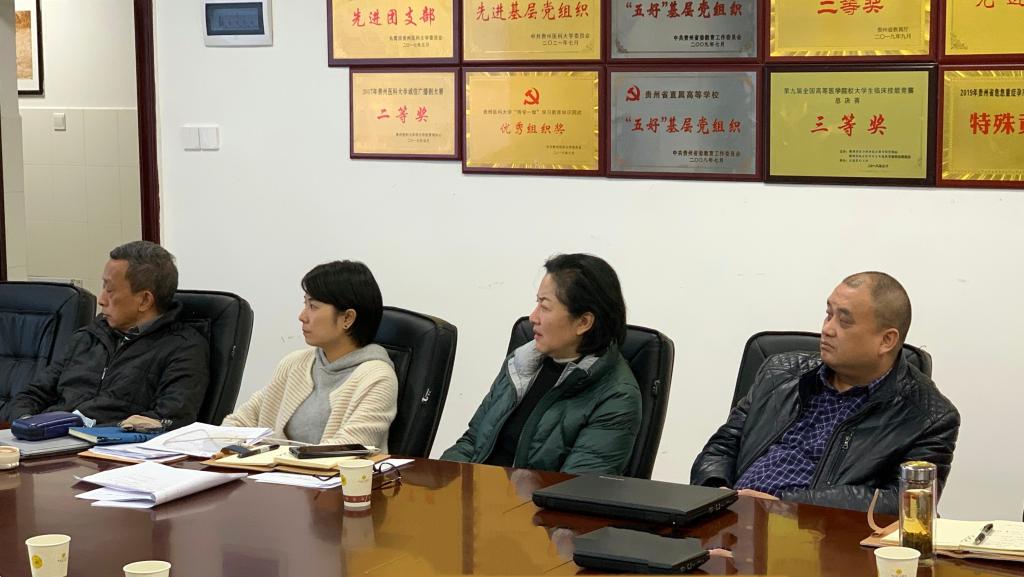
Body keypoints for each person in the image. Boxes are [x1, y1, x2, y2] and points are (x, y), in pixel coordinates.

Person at [691, 272, 960, 515]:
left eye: (844, 321)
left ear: (886, 340)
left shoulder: (929, 417)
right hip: (729, 520)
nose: (827, 329)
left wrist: (783, 504)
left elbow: (903, 503)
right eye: (828, 314)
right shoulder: (779, 372)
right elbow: (722, 447)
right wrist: (717, 493)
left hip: (811, 535)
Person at [441, 253, 641, 475]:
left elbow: (576, 486)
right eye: (537, 303)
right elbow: (472, 442)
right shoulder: (520, 364)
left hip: (528, 498)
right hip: (482, 491)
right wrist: (443, 483)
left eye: (545, 307)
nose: (533, 317)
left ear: (583, 322)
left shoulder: (617, 396)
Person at [3, 241, 209, 429]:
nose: (101, 300)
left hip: (105, 448)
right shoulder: (88, 337)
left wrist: (77, 431)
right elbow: (32, 395)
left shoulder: (183, 348)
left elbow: (169, 420)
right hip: (48, 439)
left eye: (110, 290)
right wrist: (28, 424)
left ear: (145, 300)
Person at [222, 261, 398, 451]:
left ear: (347, 318)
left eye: (313, 306)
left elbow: (346, 449)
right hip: (275, 468)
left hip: (326, 471)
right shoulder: (294, 363)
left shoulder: (377, 378)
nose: (302, 316)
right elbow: (239, 422)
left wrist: (272, 459)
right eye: (305, 303)